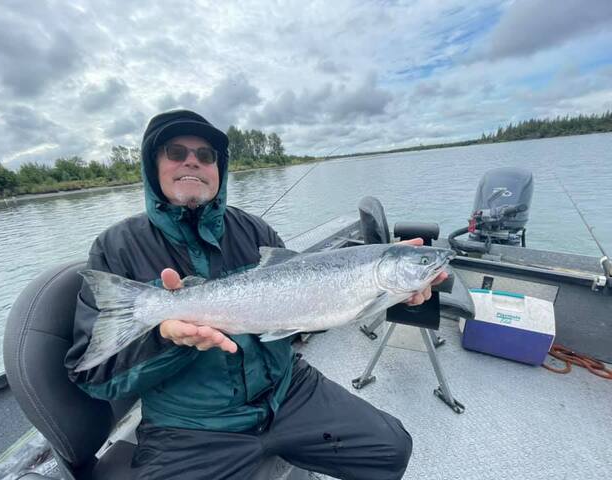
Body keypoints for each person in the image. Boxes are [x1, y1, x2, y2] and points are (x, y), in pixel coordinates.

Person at [65, 109, 447, 480]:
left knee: (391, 449)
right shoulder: (117, 247)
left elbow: (304, 323)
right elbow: (95, 376)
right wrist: (168, 339)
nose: (193, 162)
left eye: (206, 155)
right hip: (192, 425)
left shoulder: (255, 231)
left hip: (288, 392)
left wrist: (394, 295)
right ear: (152, 165)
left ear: (219, 168)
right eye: (176, 153)